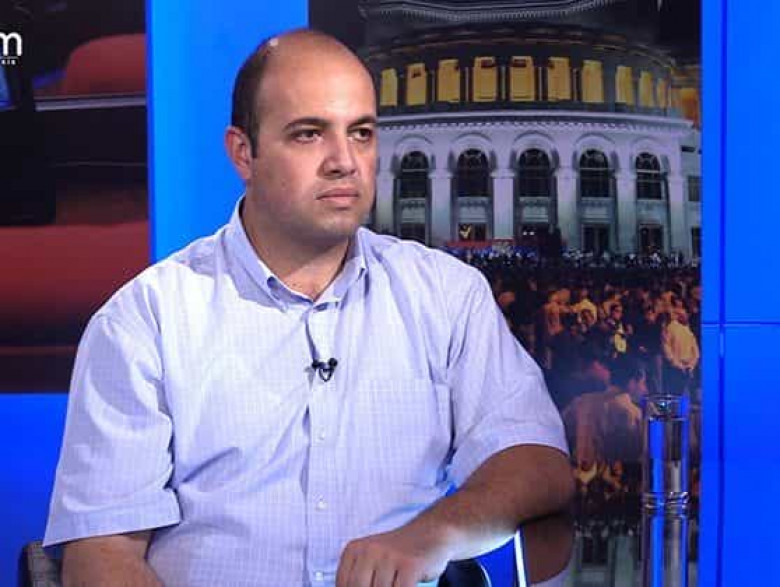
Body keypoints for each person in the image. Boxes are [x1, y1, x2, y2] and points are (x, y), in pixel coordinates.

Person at [43, 30, 572, 587]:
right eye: (309, 134)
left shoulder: (445, 294)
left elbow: (537, 462)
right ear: (243, 153)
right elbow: (102, 554)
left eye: (361, 133)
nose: (344, 162)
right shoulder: (145, 320)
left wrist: (433, 534)